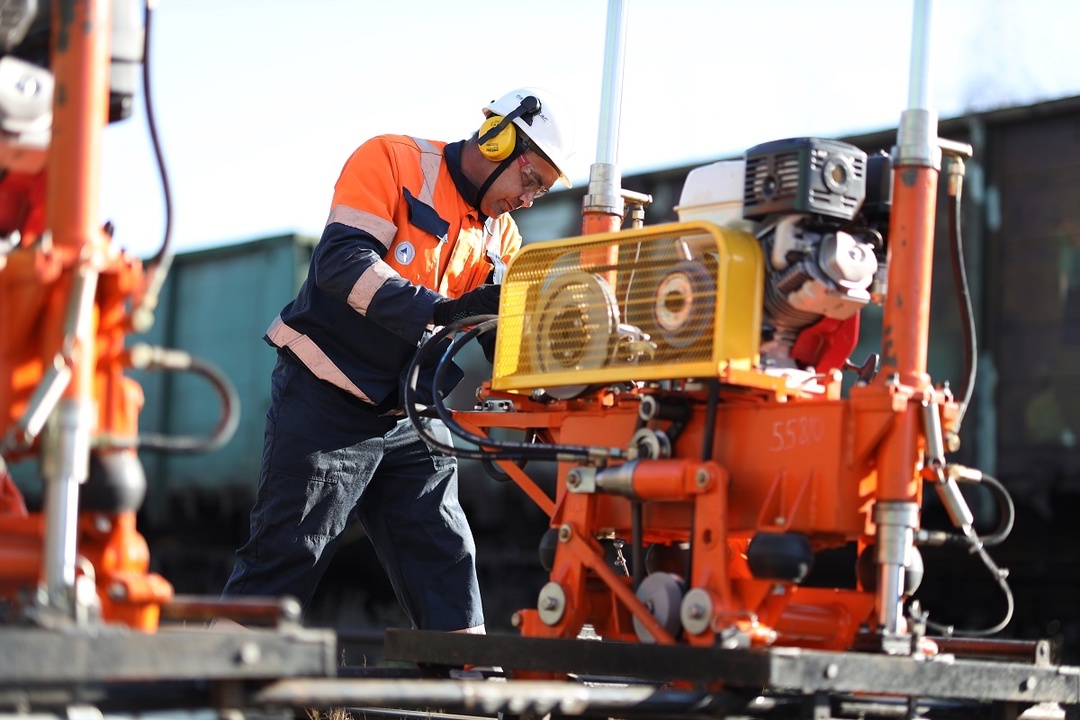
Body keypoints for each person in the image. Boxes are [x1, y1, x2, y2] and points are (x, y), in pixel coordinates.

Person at [221, 88, 575, 634]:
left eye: (542, 192)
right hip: (327, 400)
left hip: (412, 415)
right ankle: (223, 687)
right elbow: (341, 265)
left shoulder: (501, 235)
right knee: (289, 554)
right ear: (497, 139)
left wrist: (545, 382)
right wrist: (446, 308)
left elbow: (491, 332)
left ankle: (466, 690)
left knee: (447, 560)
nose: (529, 200)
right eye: (530, 181)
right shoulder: (392, 159)